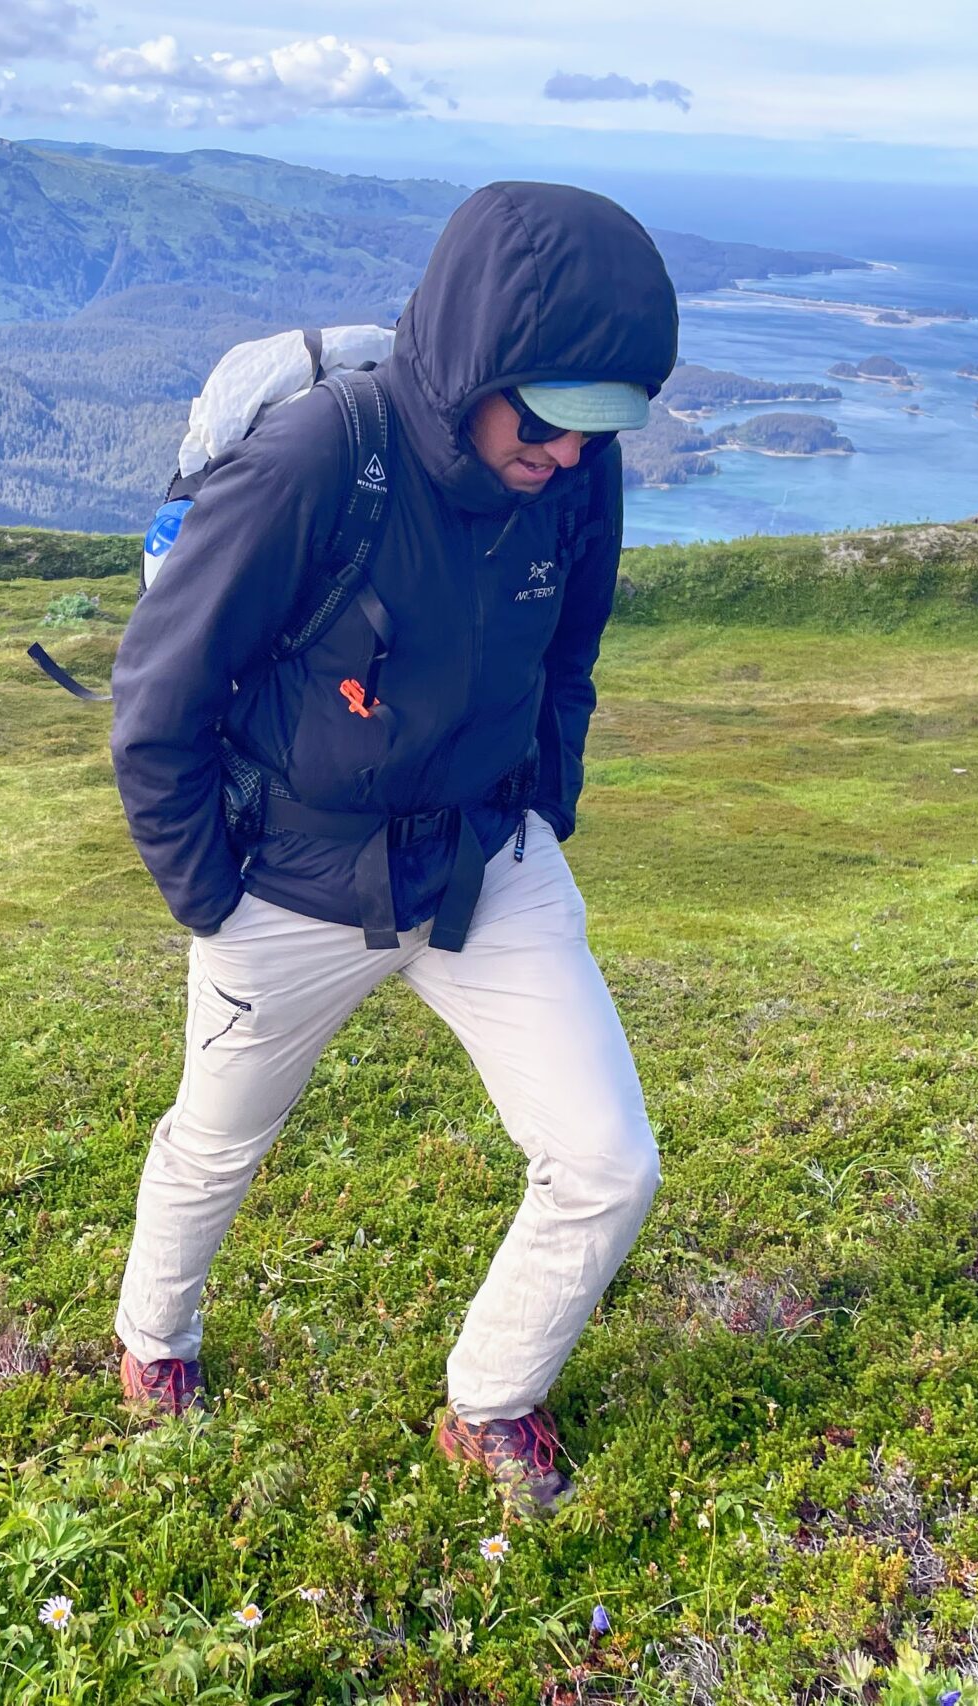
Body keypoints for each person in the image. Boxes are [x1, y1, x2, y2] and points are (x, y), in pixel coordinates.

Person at [105, 181, 677, 1514]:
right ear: (477, 364)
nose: (571, 456)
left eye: (601, 428)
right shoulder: (318, 460)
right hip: (291, 881)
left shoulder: (577, 480)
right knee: (217, 1139)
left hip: (484, 862)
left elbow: (570, 651)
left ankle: (490, 1402)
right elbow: (159, 696)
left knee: (608, 1162)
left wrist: (546, 810)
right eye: (547, 420)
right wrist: (211, 897)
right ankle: (154, 1344)